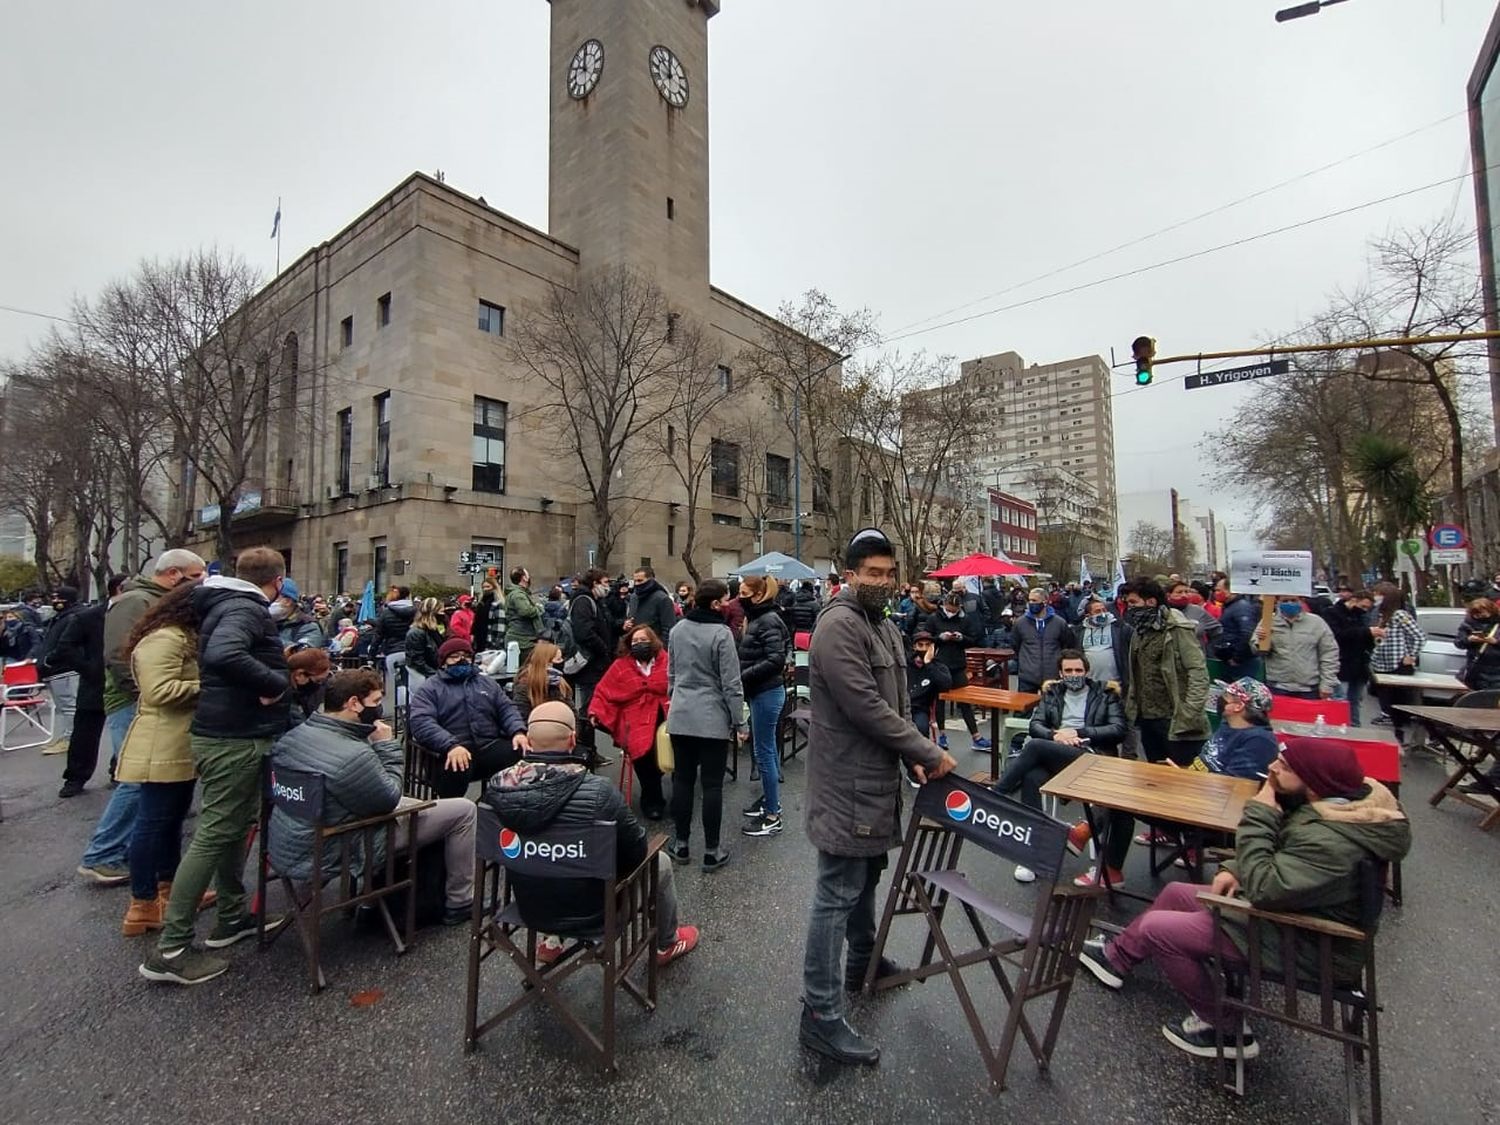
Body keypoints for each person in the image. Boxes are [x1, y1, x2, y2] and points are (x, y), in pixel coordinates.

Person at [1077, 737, 1411, 1059]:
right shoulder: (1327, 810)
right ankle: (1117, 957)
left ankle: (1224, 1029)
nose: (1272, 768)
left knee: (1157, 928)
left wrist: (1260, 812)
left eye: (1283, 765)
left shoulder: (1331, 841)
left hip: (1306, 943)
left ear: (1312, 781)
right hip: (1293, 914)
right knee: (1176, 893)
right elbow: (1284, 852)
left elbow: (1267, 887)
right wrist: (1236, 867)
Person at [798, 528, 957, 1067]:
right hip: (847, 785)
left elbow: (898, 698)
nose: (883, 582)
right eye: (872, 573)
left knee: (866, 875)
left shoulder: (882, 624)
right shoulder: (839, 626)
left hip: (877, 780)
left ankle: (861, 961)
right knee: (836, 891)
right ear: (849, 574)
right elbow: (865, 705)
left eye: (889, 574)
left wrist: (914, 751)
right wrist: (928, 752)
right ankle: (820, 1014)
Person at [140, 546, 292, 986]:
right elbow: (224, 654)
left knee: (233, 824)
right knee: (214, 833)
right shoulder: (245, 607)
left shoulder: (226, 602)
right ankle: (171, 948)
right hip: (233, 737)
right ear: (278, 580)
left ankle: (230, 916)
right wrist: (274, 682)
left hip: (231, 732)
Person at [483, 701, 700, 966]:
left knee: (544, 860)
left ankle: (551, 939)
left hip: (527, 906)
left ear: (528, 739)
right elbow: (636, 852)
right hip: (594, 913)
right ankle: (667, 943)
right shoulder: (598, 792)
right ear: (573, 740)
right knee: (660, 862)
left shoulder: (497, 790)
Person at [267, 667, 477, 930]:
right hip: (338, 844)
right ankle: (460, 902)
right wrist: (386, 745)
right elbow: (389, 797)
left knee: (419, 806)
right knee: (464, 810)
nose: (379, 708)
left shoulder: (295, 735)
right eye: (376, 702)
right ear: (353, 703)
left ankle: (372, 900)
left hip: (288, 839)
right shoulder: (352, 754)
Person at [77, 550, 208, 883]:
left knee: (153, 795)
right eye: (197, 575)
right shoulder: (135, 602)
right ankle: (104, 854)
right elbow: (120, 655)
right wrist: (142, 695)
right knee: (138, 783)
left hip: (151, 702)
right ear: (176, 574)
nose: (203, 581)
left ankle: (152, 878)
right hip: (133, 701)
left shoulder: (156, 603)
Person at [1096, 578, 1210, 889]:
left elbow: (1198, 674)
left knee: (1185, 787)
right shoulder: (1139, 632)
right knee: (1159, 781)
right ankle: (1168, 831)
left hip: (1177, 722)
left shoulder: (1178, 629)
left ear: (1150, 602)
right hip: (1148, 717)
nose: (1127, 609)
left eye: (1132, 603)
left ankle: (1192, 843)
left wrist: (1187, 716)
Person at [115, 583, 208, 937]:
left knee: (170, 822)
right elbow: (160, 691)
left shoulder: (180, 637)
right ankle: (142, 902)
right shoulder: (165, 639)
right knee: (152, 824)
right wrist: (208, 684)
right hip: (160, 742)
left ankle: (170, 891)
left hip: (176, 742)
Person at [993, 650, 1125, 883]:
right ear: (1060, 673)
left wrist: (1079, 733)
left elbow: (1117, 730)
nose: (1074, 675)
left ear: (1086, 672)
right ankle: (1033, 852)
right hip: (1057, 751)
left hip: (1091, 755)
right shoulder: (1053, 693)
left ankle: (998, 794)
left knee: (1034, 747)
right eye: (1069, 671)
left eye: (1078, 670)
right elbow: (1036, 724)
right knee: (1032, 776)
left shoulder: (1105, 693)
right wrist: (1056, 736)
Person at [665, 579, 746, 870]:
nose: (729, 604)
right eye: (725, 600)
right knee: (712, 786)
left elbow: (671, 675)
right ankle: (712, 850)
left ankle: (682, 843)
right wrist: (740, 722)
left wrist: (673, 703)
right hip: (711, 717)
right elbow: (731, 684)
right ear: (714, 604)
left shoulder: (677, 630)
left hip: (682, 715)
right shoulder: (722, 635)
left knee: (683, 781)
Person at [408, 637, 530, 798]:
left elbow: (506, 708)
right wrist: (450, 745)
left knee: (521, 753)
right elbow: (421, 721)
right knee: (457, 766)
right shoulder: (430, 688)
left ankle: (498, 805)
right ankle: (454, 816)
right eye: (455, 656)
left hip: (487, 744)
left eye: (466, 656)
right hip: (447, 750)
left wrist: (518, 731)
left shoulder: (487, 683)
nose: (461, 660)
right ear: (443, 662)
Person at [588, 626, 671, 819]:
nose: (639, 644)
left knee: (676, 746)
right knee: (643, 753)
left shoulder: (667, 660)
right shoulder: (620, 666)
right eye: (635, 642)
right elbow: (603, 691)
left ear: (653, 640)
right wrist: (595, 712)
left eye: (643, 640)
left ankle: (678, 798)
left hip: (665, 714)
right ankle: (652, 800)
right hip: (635, 717)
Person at [737, 576, 790, 838]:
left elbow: (775, 659)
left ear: (757, 595)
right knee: (763, 751)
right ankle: (769, 802)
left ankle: (772, 815)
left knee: (765, 753)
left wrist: (743, 676)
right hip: (761, 691)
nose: (740, 597)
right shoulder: (761, 618)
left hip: (766, 692)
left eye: (744, 592)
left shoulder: (767, 620)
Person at [42, 591, 108, 799]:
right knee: (85, 731)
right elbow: (65, 646)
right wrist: (89, 669)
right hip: (95, 682)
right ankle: (76, 777)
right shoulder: (87, 617)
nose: (56, 601)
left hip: (125, 681)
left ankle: (118, 772)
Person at [923, 591, 986, 750]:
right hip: (940, 664)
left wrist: (961, 638)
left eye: (955, 610)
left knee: (965, 701)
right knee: (940, 700)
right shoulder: (934, 619)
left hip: (958, 664)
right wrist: (939, 638)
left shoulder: (964, 620)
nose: (952, 612)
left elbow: (972, 639)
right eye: (950, 609)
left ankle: (976, 736)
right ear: (944, 606)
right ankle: (942, 735)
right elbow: (926, 638)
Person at [565, 568, 614, 765]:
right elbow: (584, 632)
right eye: (604, 582)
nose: (607, 586)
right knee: (588, 709)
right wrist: (603, 648)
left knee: (588, 707)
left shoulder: (592, 601)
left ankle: (587, 751)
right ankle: (586, 753)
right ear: (594, 583)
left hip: (592, 662)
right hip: (589, 663)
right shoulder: (585, 602)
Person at [1369, 581, 1424, 737]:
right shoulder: (1379, 615)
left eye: (1378, 594)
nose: (1375, 597)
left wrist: (1411, 656)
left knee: (1399, 703)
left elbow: (1419, 636)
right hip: (1380, 663)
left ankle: (1401, 733)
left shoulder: (1400, 615)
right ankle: (1393, 727)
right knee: (1385, 700)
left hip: (1397, 663)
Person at [1257, 596, 1338, 700]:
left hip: (1309, 689)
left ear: (1301, 601)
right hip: (1277, 687)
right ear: (1278, 602)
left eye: (1293, 600)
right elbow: (1258, 651)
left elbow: (1329, 654)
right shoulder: (1268, 622)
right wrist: (1261, 641)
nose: (1290, 603)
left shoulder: (1316, 623)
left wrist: (1327, 684)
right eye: (1285, 601)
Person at [1324, 589, 1377, 726]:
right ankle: (1338, 726)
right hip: (1341, 663)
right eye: (1363, 606)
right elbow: (1338, 636)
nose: (1364, 610)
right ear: (1353, 600)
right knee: (1340, 699)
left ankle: (1354, 726)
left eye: (1367, 608)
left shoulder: (1362, 617)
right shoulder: (1332, 613)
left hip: (1359, 666)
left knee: (1355, 700)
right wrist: (1366, 632)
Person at [1013, 586, 1076, 694]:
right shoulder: (1020, 623)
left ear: (1045, 602)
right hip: (1027, 676)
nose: (1031, 603)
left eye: (1034, 600)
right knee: (1024, 709)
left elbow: (1067, 644)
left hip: (1052, 676)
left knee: (1052, 709)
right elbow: (1015, 645)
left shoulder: (1059, 623)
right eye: (1029, 600)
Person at [1076, 594, 1131, 697]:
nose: (1102, 614)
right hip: (1090, 685)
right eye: (1097, 611)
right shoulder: (1079, 632)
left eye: (1104, 610)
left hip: (1115, 685)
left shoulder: (1120, 627)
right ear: (1088, 615)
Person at [510, 639, 573, 723]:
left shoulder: (560, 682)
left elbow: (572, 712)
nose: (562, 662)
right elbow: (521, 718)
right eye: (558, 659)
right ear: (547, 663)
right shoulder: (524, 685)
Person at [1213, 579, 1264, 681]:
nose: (1215, 593)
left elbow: (1246, 634)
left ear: (1229, 591)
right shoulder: (1229, 607)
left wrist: (1237, 658)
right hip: (1230, 660)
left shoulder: (1242, 607)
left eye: (1219, 590)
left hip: (1242, 663)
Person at [906, 630, 952, 741]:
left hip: (920, 709)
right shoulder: (905, 664)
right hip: (901, 707)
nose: (924, 648)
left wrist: (928, 663)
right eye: (920, 645)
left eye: (928, 645)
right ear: (914, 647)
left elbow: (946, 685)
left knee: (921, 729)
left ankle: (919, 757)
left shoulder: (938, 666)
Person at [1167, 580, 1222, 655]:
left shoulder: (1198, 611)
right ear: (1168, 595)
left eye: (1186, 592)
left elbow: (1217, 631)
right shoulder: (1163, 612)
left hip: (1196, 659)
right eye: (1179, 592)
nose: (1184, 595)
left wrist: (1209, 651)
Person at [1456, 596, 1500, 690]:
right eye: (1476, 614)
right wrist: (1469, 639)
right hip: (1477, 669)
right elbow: (1458, 642)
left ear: (1491, 610)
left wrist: (1496, 642)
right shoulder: (1468, 624)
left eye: (1482, 613)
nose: (1479, 616)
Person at [625, 566, 677, 641]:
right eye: (635, 581)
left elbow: (669, 628)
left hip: (654, 646)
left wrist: (661, 648)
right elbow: (630, 619)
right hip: (635, 645)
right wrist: (627, 625)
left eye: (640, 581)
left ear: (651, 580)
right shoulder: (633, 597)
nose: (636, 584)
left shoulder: (662, 599)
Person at [505, 567, 544, 665]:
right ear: (524, 578)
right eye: (527, 574)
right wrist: (539, 608)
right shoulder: (518, 594)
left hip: (522, 639)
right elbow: (526, 611)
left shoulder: (519, 593)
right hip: (522, 641)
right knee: (526, 671)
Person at [272, 578, 325, 649]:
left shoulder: (308, 626)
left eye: (273, 597)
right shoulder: (264, 621)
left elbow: (304, 653)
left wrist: (268, 642)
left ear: (288, 601)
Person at [404, 597, 446, 683]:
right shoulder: (417, 633)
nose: (443, 615)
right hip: (423, 678)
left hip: (433, 674)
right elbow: (417, 662)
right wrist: (436, 674)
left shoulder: (433, 631)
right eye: (441, 612)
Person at [286, 646, 332, 723]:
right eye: (318, 680)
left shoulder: (303, 693)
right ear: (299, 675)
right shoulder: (281, 697)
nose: (320, 685)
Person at [375, 585, 416, 656]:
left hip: (391, 650)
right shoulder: (416, 612)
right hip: (412, 650)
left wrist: (371, 656)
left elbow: (378, 635)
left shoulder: (386, 613)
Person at [472, 578, 505, 652]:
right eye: (483, 587)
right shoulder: (480, 604)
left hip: (491, 642)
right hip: (479, 641)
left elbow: (500, 626)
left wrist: (496, 644)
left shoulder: (498, 604)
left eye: (488, 587)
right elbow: (476, 621)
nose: (485, 589)